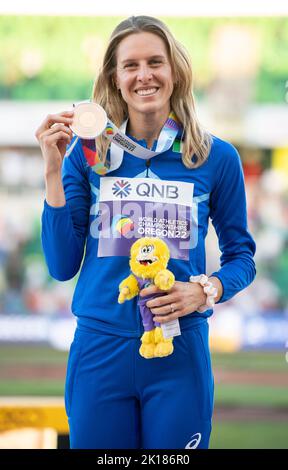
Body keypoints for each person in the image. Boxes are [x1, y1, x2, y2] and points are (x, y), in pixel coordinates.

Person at [35, 16, 256, 449]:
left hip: (180, 350)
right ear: (115, 79)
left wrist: (205, 289)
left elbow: (242, 258)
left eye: (156, 62)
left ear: (174, 72)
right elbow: (61, 266)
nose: (144, 75)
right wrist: (52, 171)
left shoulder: (216, 157)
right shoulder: (88, 155)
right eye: (131, 65)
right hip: (100, 351)